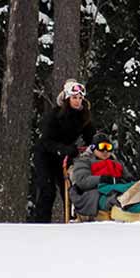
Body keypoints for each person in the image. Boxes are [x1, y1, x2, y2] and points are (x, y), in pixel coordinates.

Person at [32, 79, 95, 223]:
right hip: (45, 156)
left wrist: (97, 146)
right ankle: (40, 225)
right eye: (74, 98)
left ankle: (71, 222)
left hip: (65, 157)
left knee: (69, 191)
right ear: (67, 98)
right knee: (47, 191)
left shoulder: (84, 116)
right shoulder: (54, 115)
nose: (78, 101)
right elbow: (47, 140)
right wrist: (64, 149)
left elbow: (91, 137)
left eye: (80, 98)